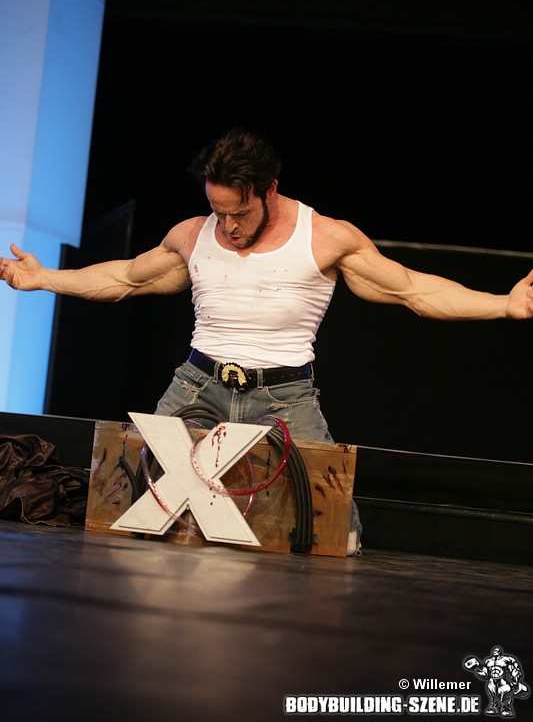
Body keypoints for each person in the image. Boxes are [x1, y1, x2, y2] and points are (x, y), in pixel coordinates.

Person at [1, 129, 532, 552]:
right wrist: (44, 278)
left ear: (270, 190)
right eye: (219, 211)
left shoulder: (326, 238)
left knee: (337, 535)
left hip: (284, 398)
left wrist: (504, 305)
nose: (228, 226)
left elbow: (414, 290)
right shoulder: (192, 234)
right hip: (197, 386)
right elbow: (125, 279)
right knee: (123, 507)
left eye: (241, 212)